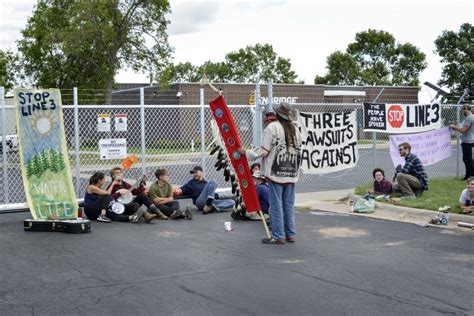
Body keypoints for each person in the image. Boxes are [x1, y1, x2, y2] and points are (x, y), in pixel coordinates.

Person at [239, 102, 302, 244]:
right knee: (288, 204)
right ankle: (290, 233)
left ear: (277, 114)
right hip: (291, 172)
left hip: (276, 172)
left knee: (276, 205)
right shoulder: (295, 130)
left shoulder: (272, 128)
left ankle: (278, 235)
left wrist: (247, 152)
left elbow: (263, 150)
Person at [449, 105, 474, 180]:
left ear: (466, 109)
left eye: (463, 110)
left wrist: (454, 126)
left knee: (467, 159)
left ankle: (470, 175)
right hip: (472, 140)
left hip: (467, 141)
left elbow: (463, 130)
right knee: (468, 159)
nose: (462, 112)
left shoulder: (469, 118)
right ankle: (469, 175)